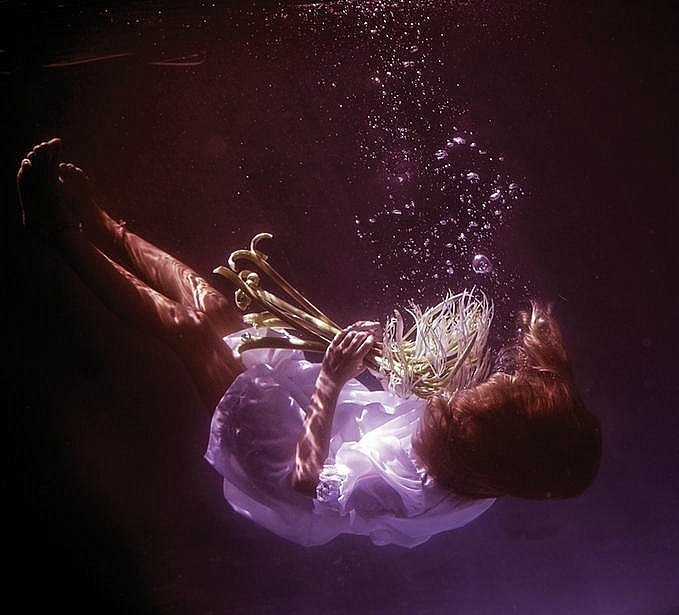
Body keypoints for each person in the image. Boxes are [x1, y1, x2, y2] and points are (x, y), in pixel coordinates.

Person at [16, 138, 601, 548]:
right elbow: (410, 402)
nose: (498, 377)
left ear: (497, 433)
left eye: (504, 391)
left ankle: (58, 233)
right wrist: (385, 359)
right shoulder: (482, 442)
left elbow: (306, 481)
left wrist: (330, 380)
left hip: (289, 464)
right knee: (218, 309)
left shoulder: (414, 496)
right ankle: (100, 220)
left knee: (191, 331)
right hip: (335, 422)